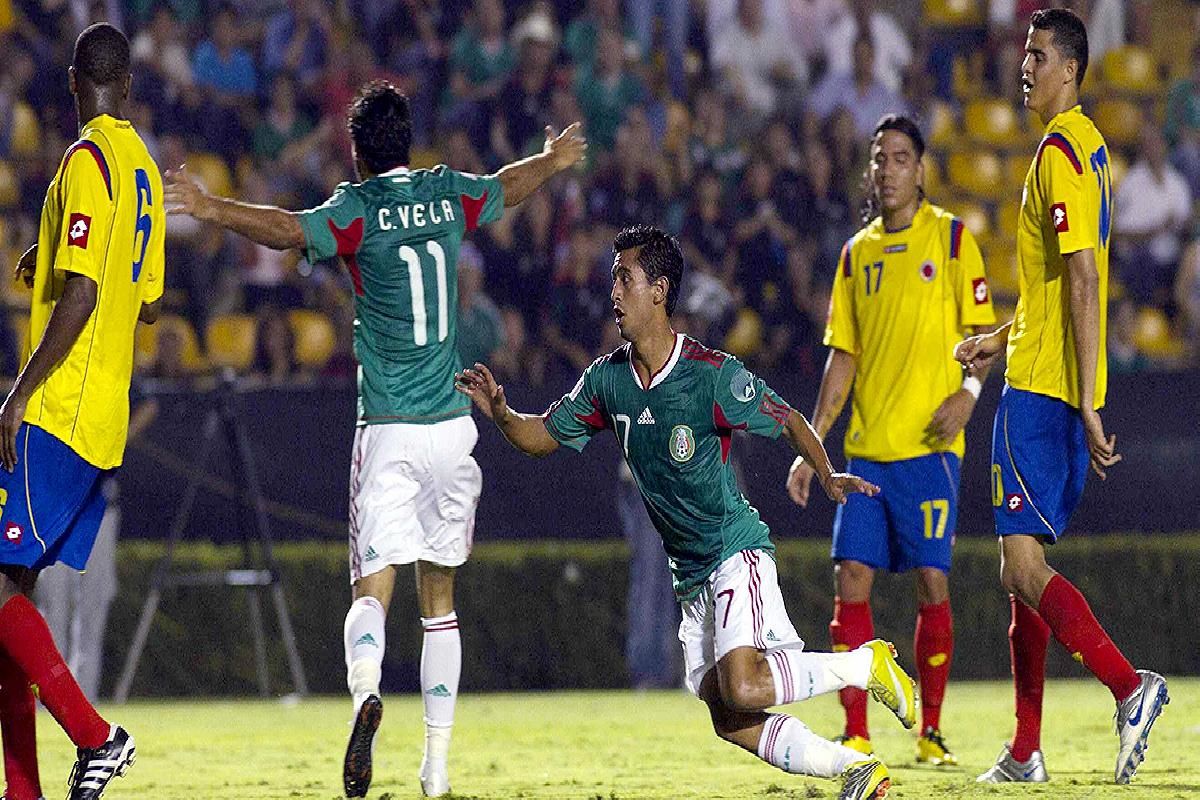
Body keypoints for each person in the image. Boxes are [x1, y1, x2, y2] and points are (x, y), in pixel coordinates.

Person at [164, 81, 586, 799]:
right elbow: (506, 187)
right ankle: (437, 768)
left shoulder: (358, 209)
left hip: (390, 426)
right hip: (455, 427)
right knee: (441, 600)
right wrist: (550, 159)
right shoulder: (447, 191)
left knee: (370, 587)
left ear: (356, 151)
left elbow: (289, 229)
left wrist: (212, 208)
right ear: (408, 140)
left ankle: (365, 695)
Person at [455, 224, 918, 800]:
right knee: (731, 717)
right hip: (692, 575)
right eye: (613, 279)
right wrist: (502, 412)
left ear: (659, 289)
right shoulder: (607, 380)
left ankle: (864, 667)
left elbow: (790, 419)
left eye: (625, 278)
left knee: (745, 687)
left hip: (733, 550)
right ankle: (855, 770)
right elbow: (543, 434)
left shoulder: (709, 374)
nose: (614, 292)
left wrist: (825, 474)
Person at [955, 8, 1169, 785]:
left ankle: (1129, 685)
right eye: (1025, 53)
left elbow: (1083, 278)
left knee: (1017, 565)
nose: (1026, 66)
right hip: (1047, 370)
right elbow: (1057, 284)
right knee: (1023, 565)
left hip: (1045, 392)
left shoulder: (1058, 153)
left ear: (1072, 70)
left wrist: (1082, 397)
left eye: (1039, 55)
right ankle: (1025, 750)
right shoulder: (1090, 149)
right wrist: (1001, 336)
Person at [788, 114, 995, 766]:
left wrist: (969, 394)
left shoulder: (956, 239)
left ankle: (930, 729)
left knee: (932, 583)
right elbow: (840, 358)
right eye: (879, 158)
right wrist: (813, 441)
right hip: (867, 452)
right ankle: (856, 731)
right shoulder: (857, 255)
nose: (887, 168)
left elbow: (982, 343)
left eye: (900, 157)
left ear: (921, 169)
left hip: (930, 450)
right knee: (851, 580)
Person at [0, 22, 164, 800]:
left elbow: (89, 293)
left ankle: (98, 737)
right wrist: (57, 264)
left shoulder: (87, 159)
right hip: (105, 421)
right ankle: (22, 792)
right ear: (127, 85)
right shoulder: (146, 171)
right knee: (12, 604)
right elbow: (150, 300)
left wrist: (18, 393)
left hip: (59, 411)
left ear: (73, 82)